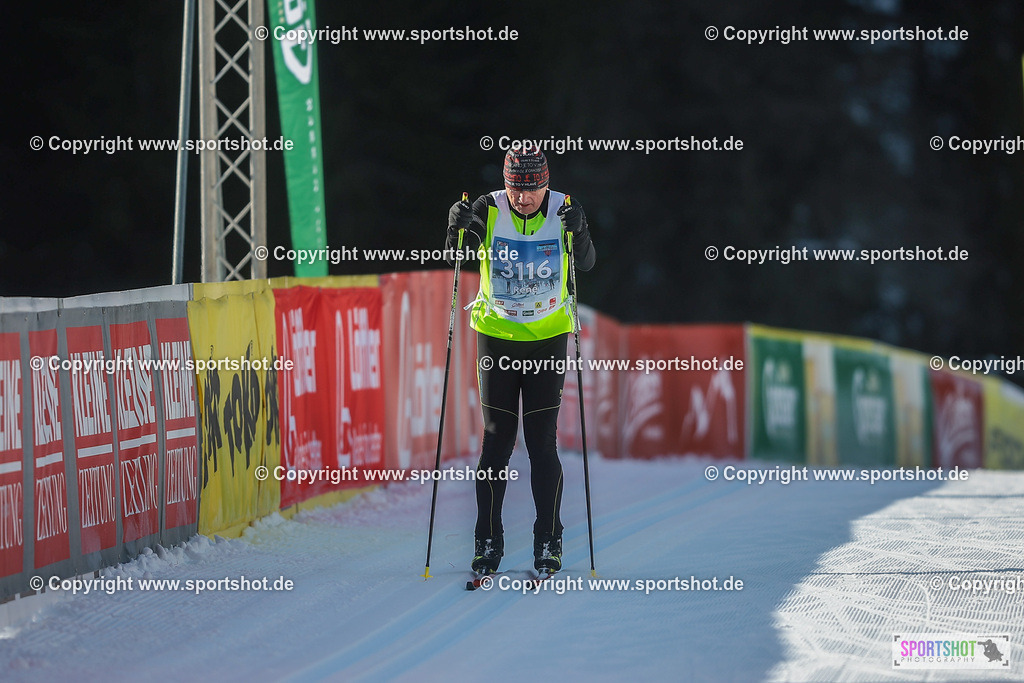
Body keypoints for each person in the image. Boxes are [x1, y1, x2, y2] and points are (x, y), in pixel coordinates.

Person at [446, 146, 596, 574]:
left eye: (532, 190)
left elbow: (586, 262)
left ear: (545, 184)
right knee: (496, 441)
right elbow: (454, 248)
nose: (524, 198)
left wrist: (580, 229)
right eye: (516, 189)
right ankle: (487, 541)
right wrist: (455, 225)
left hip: (547, 338)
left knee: (540, 443)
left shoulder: (565, 209)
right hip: (497, 337)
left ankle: (548, 541)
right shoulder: (489, 207)